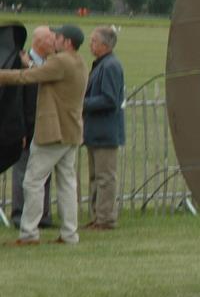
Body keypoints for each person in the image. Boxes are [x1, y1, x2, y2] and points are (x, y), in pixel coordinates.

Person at [0, 24, 88, 246]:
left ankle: (29, 233)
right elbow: (46, 73)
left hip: (53, 133)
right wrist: (29, 63)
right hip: (71, 131)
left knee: (33, 181)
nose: (54, 40)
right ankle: (70, 234)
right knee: (67, 184)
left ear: (67, 42)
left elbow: (26, 77)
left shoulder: (59, 61)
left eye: (58, 37)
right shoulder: (78, 61)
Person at [10, 27, 55, 229]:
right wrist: (20, 129)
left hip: (45, 128)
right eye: (50, 40)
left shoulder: (50, 64)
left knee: (44, 174)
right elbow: (16, 101)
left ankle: (42, 215)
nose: (54, 43)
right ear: (39, 42)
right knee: (23, 173)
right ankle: (20, 214)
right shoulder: (19, 63)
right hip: (26, 128)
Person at [82, 26, 125, 230]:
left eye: (94, 41)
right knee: (95, 177)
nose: (90, 45)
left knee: (105, 178)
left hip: (106, 131)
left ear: (105, 45)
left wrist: (82, 103)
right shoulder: (101, 64)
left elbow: (110, 99)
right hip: (95, 131)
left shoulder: (110, 66)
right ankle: (97, 216)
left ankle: (106, 218)